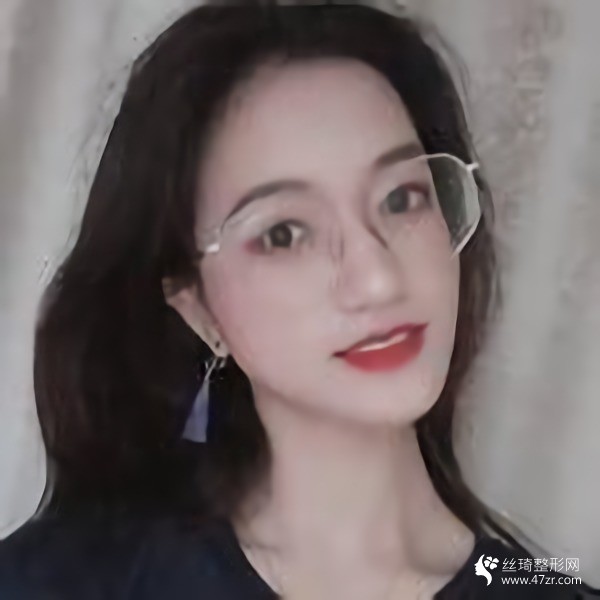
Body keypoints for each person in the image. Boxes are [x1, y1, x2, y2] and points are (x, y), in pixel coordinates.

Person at [0, 1, 592, 598]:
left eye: (401, 198)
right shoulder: (61, 581)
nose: (378, 280)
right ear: (197, 307)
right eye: (284, 234)